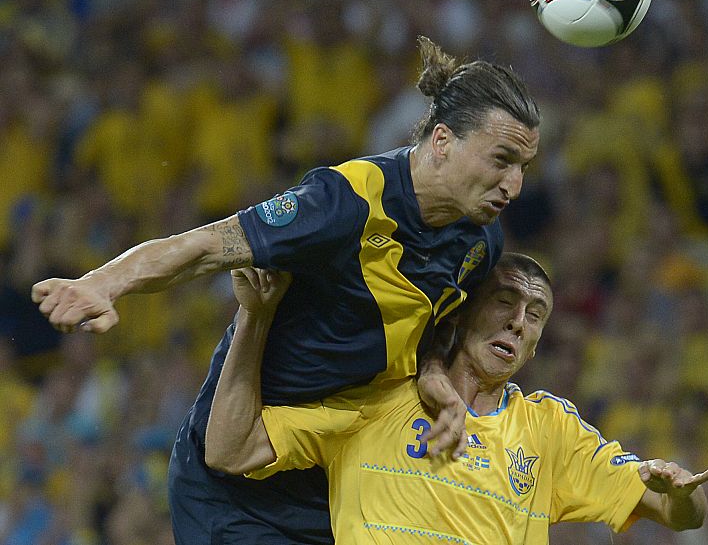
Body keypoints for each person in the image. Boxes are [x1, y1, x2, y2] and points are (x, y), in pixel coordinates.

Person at [31, 37, 542, 544]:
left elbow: (439, 332)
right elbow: (206, 246)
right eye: (501, 159)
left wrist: (436, 382)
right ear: (443, 141)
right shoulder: (345, 201)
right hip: (237, 487)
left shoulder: (480, 243)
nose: (514, 186)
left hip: (335, 483)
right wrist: (104, 282)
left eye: (524, 167)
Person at [206, 255, 708, 543]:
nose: (518, 321)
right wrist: (254, 317)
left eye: (536, 314)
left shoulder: (550, 430)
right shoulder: (382, 399)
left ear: (536, 344)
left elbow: (682, 515)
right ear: (463, 311)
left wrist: (679, 490)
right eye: (505, 301)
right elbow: (229, 449)